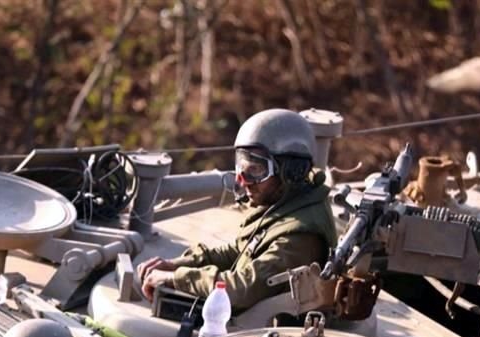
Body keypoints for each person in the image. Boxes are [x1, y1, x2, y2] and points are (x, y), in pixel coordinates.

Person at [137, 108, 338, 313]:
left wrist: (176, 279)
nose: (243, 180)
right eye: (241, 167)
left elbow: (241, 288)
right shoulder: (286, 202)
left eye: (256, 170)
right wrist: (178, 265)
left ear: (292, 171)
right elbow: (241, 249)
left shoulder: (299, 237)